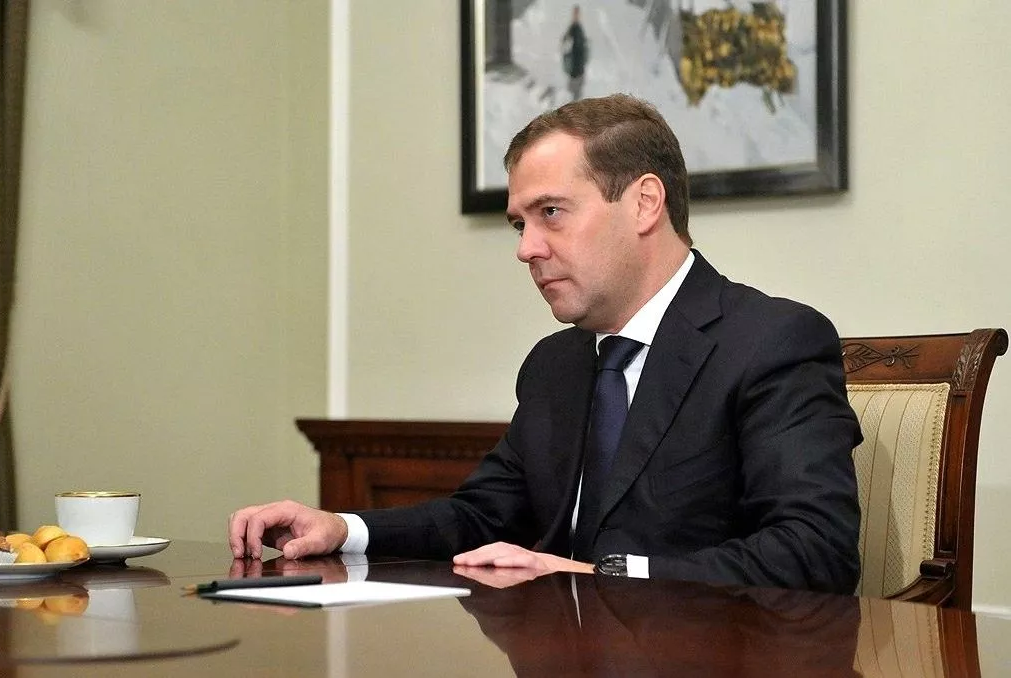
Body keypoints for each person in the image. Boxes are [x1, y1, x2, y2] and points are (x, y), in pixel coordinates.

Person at [229, 94, 862, 594]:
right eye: (519, 224)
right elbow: (484, 515)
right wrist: (343, 528)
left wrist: (597, 573)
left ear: (645, 203)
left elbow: (814, 552)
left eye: (551, 213)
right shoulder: (556, 364)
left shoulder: (770, 341)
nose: (527, 248)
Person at [561, 5, 589, 101]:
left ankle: (576, 100)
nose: (576, 16)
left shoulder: (579, 28)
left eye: (577, 14)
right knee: (574, 90)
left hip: (579, 63)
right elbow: (564, 43)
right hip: (574, 64)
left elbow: (584, 44)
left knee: (578, 90)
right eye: (575, 14)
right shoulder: (572, 28)